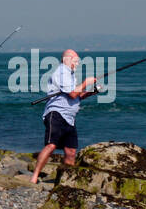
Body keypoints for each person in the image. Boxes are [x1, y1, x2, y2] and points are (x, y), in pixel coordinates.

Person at [30, 49, 98, 184]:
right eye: (76, 61)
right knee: (51, 146)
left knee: (71, 151)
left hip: (69, 118)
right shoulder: (62, 72)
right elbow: (73, 94)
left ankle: (66, 181)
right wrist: (86, 82)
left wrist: (91, 92)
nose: (78, 63)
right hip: (56, 114)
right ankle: (34, 177)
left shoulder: (71, 75)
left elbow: (76, 96)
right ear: (67, 59)